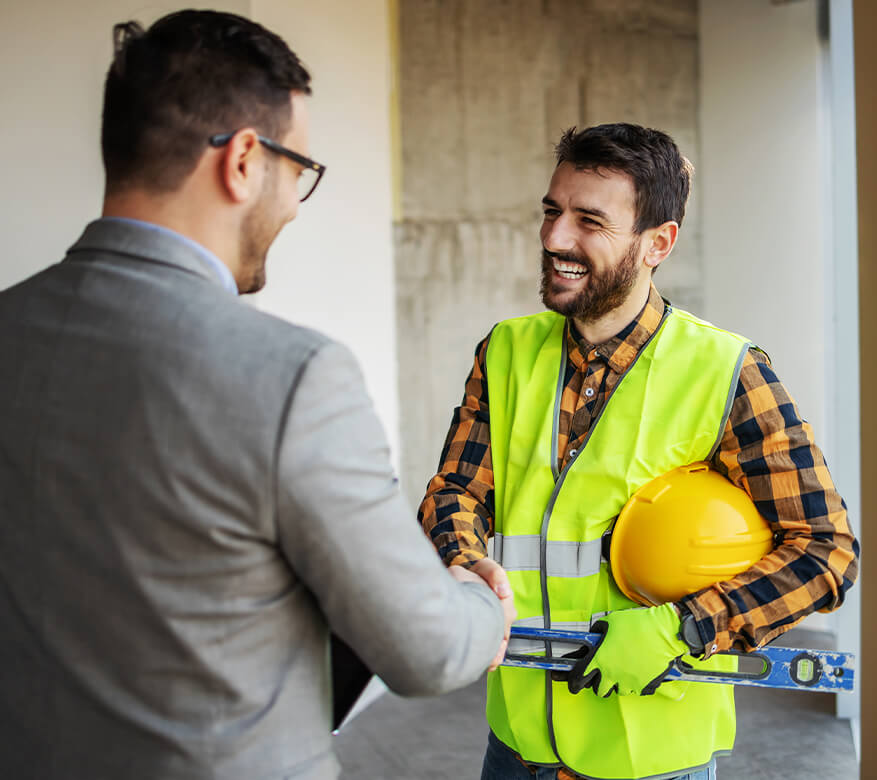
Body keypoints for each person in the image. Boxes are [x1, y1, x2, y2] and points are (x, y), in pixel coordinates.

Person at [0, 10, 515, 780]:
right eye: (298, 170)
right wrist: (478, 604)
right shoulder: (294, 376)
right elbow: (428, 650)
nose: (292, 202)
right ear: (244, 160)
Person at [418, 123, 859, 780]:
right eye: (551, 211)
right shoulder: (504, 351)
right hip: (515, 743)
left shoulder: (727, 371)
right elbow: (458, 489)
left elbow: (826, 552)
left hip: (652, 755)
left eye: (588, 221)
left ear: (658, 243)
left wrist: (684, 627)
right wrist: (462, 559)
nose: (553, 238)